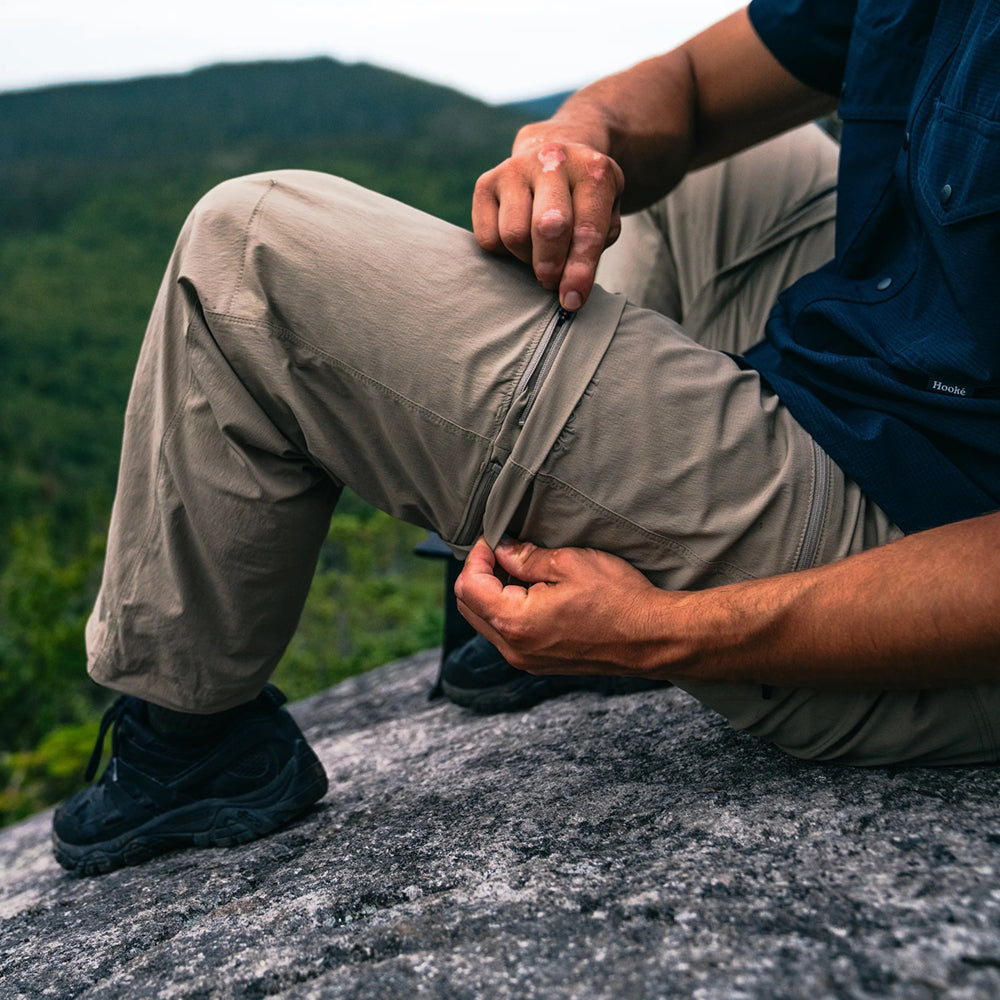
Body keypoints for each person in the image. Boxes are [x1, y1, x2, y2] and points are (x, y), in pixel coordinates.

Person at [53, 0, 1000, 877]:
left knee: (247, 248)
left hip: (925, 576)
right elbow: (694, 86)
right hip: (914, 399)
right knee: (692, 170)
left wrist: (664, 636)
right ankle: (528, 575)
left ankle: (192, 745)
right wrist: (576, 142)